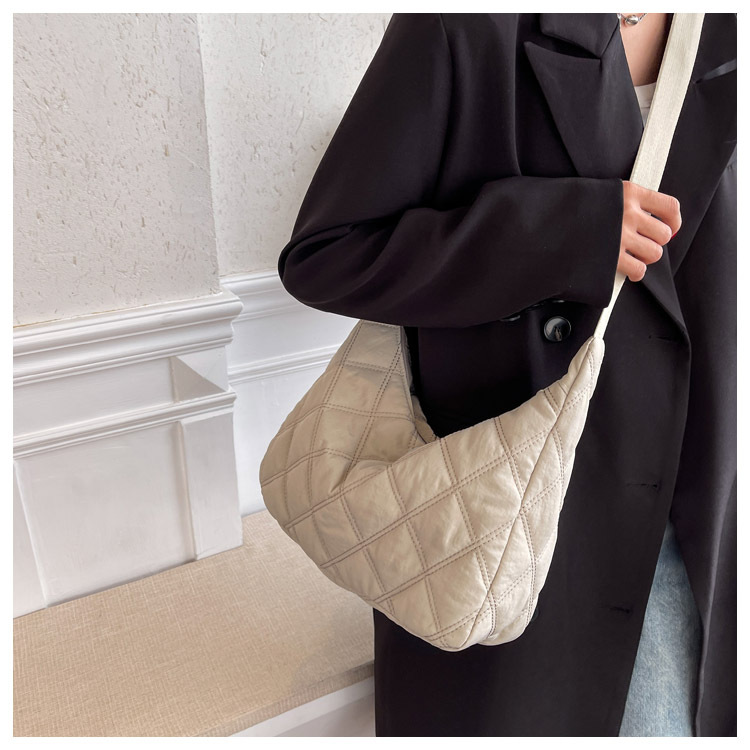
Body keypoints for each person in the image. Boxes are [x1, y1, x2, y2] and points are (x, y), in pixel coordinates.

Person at [276, 13, 736, 736]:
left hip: (706, 496)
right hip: (531, 511)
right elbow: (328, 253)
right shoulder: (466, 22)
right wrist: (565, 231)